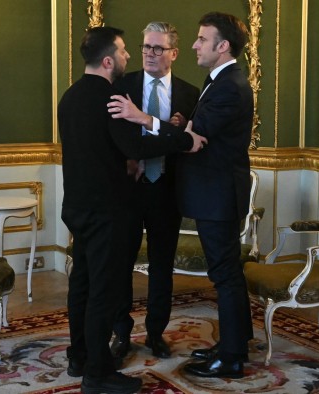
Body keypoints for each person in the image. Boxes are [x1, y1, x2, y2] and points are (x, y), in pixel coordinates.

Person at [58, 26, 206, 394]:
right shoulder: (111, 98)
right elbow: (135, 149)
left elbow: (95, 149)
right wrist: (184, 138)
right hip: (107, 210)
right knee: (103, 292)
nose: (130, 56)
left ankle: (78, 355)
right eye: (126, 51)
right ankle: (98, 373)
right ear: (108, 60)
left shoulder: (70, 96)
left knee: (82, 284)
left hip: (77, 205)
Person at [108, 12, 254, 378]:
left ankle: (232, 354)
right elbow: (190, 132)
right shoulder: (217, 82)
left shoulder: (224, 86)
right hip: (146, 192)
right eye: (145, 47)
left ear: (222, 46)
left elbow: (195, 139)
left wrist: (149, 121)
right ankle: (232, 346)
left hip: (198, 193)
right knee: (225, 274)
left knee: (223, 274)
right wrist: (173, 132)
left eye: (202, 39)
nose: (195, 45)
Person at [110, 21, 200, 364]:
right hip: (129, 189)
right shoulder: (123, 85)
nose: (149, 53)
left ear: (173, 54)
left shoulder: (189, 94)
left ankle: (156, 333)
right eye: (146, 46)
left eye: (158, 48)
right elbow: (113, 135)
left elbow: (190, 142)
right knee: (122, 264)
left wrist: (178, 129)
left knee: (163, 267)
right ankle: (121, 333)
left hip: (167, 190)